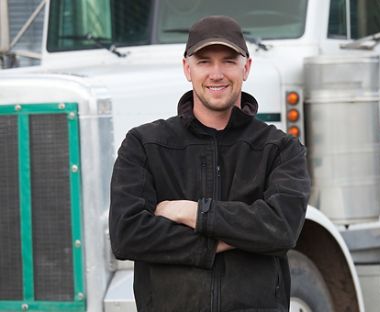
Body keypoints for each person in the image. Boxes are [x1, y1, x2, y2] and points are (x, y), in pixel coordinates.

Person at [109, 15, 311, 312]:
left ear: (247, 67)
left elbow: (281, 229)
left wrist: (191, 212)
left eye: (229, 61)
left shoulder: (281, 149)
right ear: (186, 68)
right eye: (204, 61)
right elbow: (128, 235)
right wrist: (217, 242)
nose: (217, 73)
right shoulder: (144, 145)